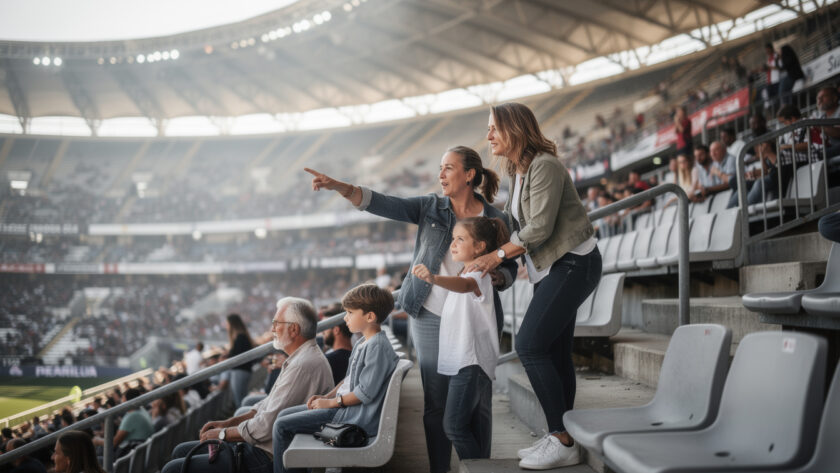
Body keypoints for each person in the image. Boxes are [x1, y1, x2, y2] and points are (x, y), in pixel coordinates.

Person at [305, 144, 517, 473]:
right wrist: (340, 187)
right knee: (436, 404)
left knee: (478, 404)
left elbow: (512, 270)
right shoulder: (430, 207)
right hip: (429, 316)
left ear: (469, 175)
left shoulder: (496, 218)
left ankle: (480, 468)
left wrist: (492, 273)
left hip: (474, 321)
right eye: (440, 168)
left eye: (448, 168)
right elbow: (385, 204)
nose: (440, 174)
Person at [470, 102, 602, 469]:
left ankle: (561, 438)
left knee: (528, 344)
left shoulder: (545, 165)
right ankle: (561, 436)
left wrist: (496, 256)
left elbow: (539, 227)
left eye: (494, 128)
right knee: (555, 353)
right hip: (552, 269)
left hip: (574, 264)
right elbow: (519, 227)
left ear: (514, 129)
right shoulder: (519, 170)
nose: (489, 136)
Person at [160, 297, 333, 473]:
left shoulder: (303, 365)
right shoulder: (301, 359)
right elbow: (266, 407)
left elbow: (265, 426)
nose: (272, 328)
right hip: (263, 448)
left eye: (276, 323)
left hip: (265, 455)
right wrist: (229, 422)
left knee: (171, 469)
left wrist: (223, 434)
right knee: (180, 451)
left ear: (294, 329)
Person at [272, 284, 399, 473]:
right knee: (282, 415)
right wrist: (326, 398)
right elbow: (347, 381)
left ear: (370, 317)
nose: (345, 317)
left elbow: (364, 393)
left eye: (350, 312)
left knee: (282, 426)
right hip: (345, 411)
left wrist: (331, 404)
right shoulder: (364, 342)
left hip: (352, 419)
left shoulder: (377, 347)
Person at [412, 216, 507, 460]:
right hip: (462, 364)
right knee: (457, 425)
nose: (453, 244)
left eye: (460, 239)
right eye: (453, 239)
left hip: (470, 364)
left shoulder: (479, 272)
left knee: (453, 426)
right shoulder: (466, 270)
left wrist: (433, 278)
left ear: (479, 247)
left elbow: (465, 286)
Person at [93, 388, 153, 457]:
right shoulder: (141, 410)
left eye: (123, 398)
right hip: (142, 453)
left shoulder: (132, 416)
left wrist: (97, 440)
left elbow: (114, 443)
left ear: (127, 401)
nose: (121, 401)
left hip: (134, 456)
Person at [217, 314, 255, 407]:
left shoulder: (240, 337)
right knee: (241, 398)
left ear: (232, 324)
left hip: (240, 371)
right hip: (243, 371)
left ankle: (243, 419)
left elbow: (238, 357)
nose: (226, 326)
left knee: (240, 400)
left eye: (227, 323)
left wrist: (226, 357)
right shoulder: (242, 336)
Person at [323, 316, 353, 385]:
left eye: (325, 328)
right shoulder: (357, 356)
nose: (323, 332)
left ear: (336, 330)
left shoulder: (327, 360)